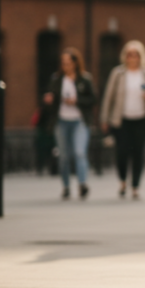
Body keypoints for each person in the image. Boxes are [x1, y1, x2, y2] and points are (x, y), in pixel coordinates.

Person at [100, 41, 145, 200]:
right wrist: (104, 118)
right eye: (129, 54)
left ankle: (135, 186)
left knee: (138, 153)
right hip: (122, 120)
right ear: (125, 57)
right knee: (121, 152)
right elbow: (109, 97)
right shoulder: (118, 73)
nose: (132, 57)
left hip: (142, 119)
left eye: (136, 54)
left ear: (141, 56)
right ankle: (122, 181)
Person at [43, 48, 96, 200]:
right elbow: (49, 97)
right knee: (64, 156)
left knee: (80, 152)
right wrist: (49, 99)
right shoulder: (57, 79)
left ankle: (82, 184)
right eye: (63, 63)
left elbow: (93, 99)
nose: (65, 66)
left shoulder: (85, 79)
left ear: (75, 63)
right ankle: (66, 186)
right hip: (61, 121)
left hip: (79, 121)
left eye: (68, 63)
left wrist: (77, 101)